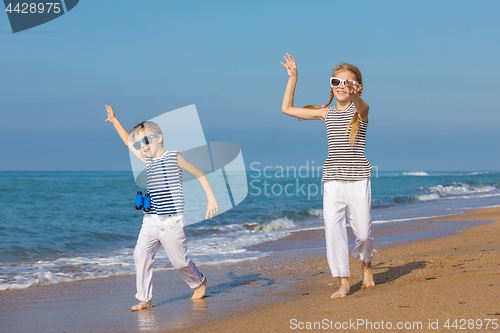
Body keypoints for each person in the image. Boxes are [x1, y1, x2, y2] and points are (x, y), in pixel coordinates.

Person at [105, 105, 218, 311]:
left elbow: (199, 173)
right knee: (140, 254)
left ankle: (198, 282)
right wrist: (114, 120)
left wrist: (211, 199)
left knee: (179, 262)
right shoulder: (146, 160)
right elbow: (127, 142)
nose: (143, 146)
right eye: (140, 143)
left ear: (160, 138)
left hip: (172, 219)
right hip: (151, 219)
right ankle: (144, 299)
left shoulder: (173, 156)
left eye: (146, 140)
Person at [280, 54, 375, 298]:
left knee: (363, 234)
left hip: (358, 179)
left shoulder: (361, 112)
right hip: (332, 180)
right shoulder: (326, 114)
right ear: (331, 86)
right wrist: (293, 78)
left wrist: (355, 94)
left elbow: (362, 105)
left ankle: (366, 265)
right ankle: (343, 282)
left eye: (347, 83)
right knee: (333, 231)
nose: (341, 86)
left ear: (357, 87)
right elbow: (287, 109)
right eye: (336, 82)